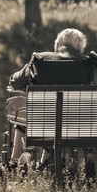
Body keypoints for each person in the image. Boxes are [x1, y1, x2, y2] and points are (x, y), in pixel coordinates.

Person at [8, 28, 88, 165]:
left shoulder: (42, 59)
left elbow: (16, 80)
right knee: (59, 119)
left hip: (41, 120)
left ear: (58, 44)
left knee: (22, 117)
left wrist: (14, 81)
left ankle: (14, 160)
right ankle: (47, 161)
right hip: (76, 122)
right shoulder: (87, 63)